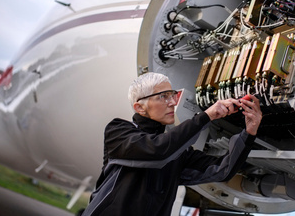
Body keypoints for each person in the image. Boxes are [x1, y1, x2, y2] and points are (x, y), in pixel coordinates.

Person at [82, 72, 262, 216]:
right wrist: (207, 116)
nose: (172, 102)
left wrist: (249, 133)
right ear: (140, 107)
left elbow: (223, 169)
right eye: (163, 97)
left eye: (173, 95)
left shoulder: (178, 152)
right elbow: (157, 151)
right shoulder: (118, 131)